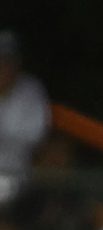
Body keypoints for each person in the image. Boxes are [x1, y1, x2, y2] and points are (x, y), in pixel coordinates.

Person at [0, 33, 49, 198]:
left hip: (15, 174)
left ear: (17, 63)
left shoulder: (31, 91)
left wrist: (5, 135)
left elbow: (35, 136)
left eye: (7, 62)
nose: (3, 68)